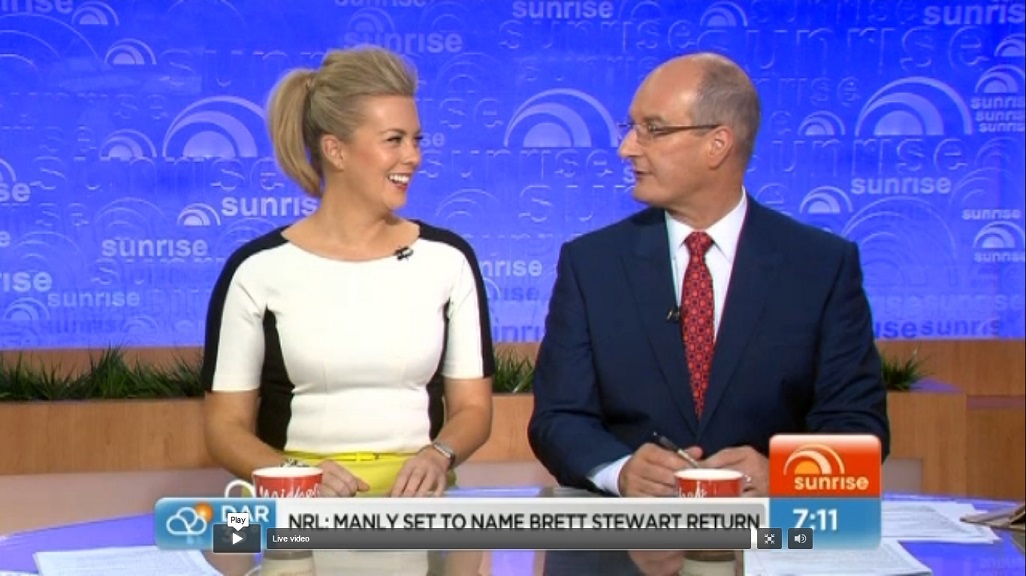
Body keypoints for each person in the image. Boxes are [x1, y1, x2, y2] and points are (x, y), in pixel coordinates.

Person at [527, 52, 889, 498]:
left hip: (773, 533)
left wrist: (784, 475)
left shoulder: (821, 266)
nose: (628, 148)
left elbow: (860, 428)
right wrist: (620, 472)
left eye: (653, 129)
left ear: (718, 144)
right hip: (633, 532)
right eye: (632, 128)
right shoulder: (591, 265)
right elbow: (558, 418)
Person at [201, 46, 494, 498]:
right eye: (394, 140)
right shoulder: (256, 270)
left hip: (417, 507)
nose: (413, 157)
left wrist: (439, 455)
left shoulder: (448, 259)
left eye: (416, 140)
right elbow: (224, 429)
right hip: (297, 506)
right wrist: (294, 476)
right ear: (335, 150)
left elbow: (473, 409)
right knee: (242, 539)